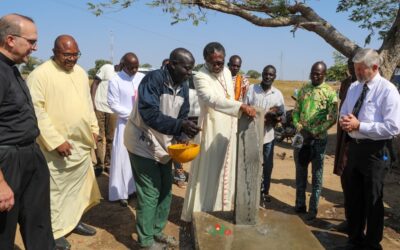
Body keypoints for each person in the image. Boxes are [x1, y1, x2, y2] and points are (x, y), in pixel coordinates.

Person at [27, 35, 101, 249]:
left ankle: (74, 220)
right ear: (54, 51)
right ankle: (56, 230)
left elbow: (87, 103)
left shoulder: (80, 72)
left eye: (75, 54)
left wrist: (94, 128)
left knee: (76, 190)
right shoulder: (40, 75)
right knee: (56, 191)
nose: (72, 59)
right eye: (66, 54)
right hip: (56, 149)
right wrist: (56, 141)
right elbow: (36, 112)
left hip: (81, 144)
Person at [124, 48, 201, 249]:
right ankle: (146, 241)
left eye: (191, 69)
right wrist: (179, 126)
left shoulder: (183, 85)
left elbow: (182, 116)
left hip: (164, 144)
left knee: (166, 189)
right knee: (150, 192)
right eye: (186, 68)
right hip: (142, 142)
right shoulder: (153, 80)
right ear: (172, 64)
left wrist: (183, 134)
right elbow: (149, 113)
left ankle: (157, 231)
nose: (189, 73)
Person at [181, 42, 256, 222]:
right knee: (208, 174)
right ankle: (201, 214)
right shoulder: (200, 76)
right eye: (213, 62)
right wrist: (240, 106)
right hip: (212, 129)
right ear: (206, 60)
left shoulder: (228, 72)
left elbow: (228, 96)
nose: (217, 66)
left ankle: (221, 209)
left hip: (229, 129)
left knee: (226, 172)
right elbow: (210, 99)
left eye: (220, 62)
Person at [0, 13, 55, 250]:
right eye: (31, 41)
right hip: (8, 162)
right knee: (4, 229)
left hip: (30, 155)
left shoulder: (13, 69)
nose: (35, 47)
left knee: (39, 223)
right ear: (11, 39)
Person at [339, 48, 400, 250]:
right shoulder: (355, 87)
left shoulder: (387, 90)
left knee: (373, 198)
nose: (356, 73)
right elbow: (346, 111)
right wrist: (346, 121)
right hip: (355, 149)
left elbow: (393, 127)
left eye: (360, 69)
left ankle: (372, 244)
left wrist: (360, 126)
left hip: (376, 151)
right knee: (353, 197)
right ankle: (354, 239)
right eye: (355, 69)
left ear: (374, 67)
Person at [292, 61, 338, 221]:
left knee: (317, 176)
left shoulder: (330, 93)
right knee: (300, 172)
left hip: (318, 140)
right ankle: (299, 205)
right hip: (301, 139)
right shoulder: (304, 89)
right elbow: (296, 111)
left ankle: (313, 209)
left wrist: (315, 131)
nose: (315, 75)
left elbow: (333, 117)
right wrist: (299, 127)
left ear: (324, 74)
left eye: (318, 73)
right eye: (313, 72)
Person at [108, 52, 144, 206]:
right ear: (123, 65)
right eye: (131, 68)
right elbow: (113, 103)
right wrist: (132, 115)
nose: (134, 70)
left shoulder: (141, 77)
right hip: (125, 123)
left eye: (136, 67)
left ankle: (134, 188)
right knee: (122, 157)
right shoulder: (115, 79)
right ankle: (121, 193)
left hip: (142, 124)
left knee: (139, 157)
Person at [245, 65, 285, 204]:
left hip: (268, 136)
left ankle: (265, 192)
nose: (268, 77)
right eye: (266, 74)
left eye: (271, 75)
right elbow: (244, 109)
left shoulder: (278, 94)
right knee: (250, 163)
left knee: (267, 166)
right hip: (252, 135)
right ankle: (249, 192)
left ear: (274, 76)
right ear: (262, 74)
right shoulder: (252, 89)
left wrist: (275, 117)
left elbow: (283, 115)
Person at [90, 62, 121, 176]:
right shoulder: (107, 68)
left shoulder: (123, 75)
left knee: (111, 139)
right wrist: (92, 102)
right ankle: (99, 164)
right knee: (97, 136)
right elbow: (95, 83)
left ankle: (108, 164)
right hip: (99, 107)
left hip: (113, 110)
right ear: (120, 63)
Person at [160, 58, 187, 188]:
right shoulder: (158, 83)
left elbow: (183, 111)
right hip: (158, 128)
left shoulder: (182, 85)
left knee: (177, 153)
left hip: (174, 126)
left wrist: (181, 130)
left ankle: (179, 176)